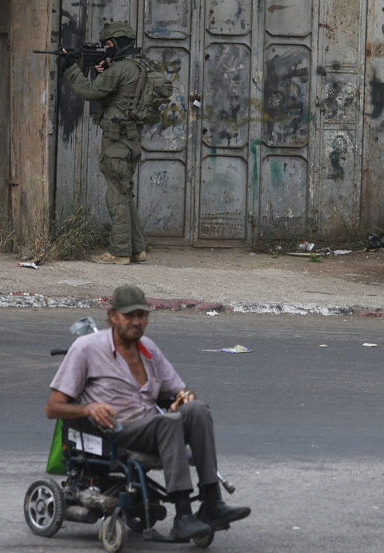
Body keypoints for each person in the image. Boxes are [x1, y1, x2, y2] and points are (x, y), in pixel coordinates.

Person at [45, 284, 251, 540]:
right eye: (130, 315)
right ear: (113, 316)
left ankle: (211, 503)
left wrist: (182, 399)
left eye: (141, 315)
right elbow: (53, 407)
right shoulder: (86, 348)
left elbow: (182, 391)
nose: (136, 321)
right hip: (117, 432)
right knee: (170, 422)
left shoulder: (149, 349)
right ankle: (183, 516)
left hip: (156, 427)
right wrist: (89, 407)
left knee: (197, 409)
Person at [58, 22, 150, 265]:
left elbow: (89, 92)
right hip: (131, 139)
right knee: (125, 193)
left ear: (120, 43)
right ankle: (137, 249)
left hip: (116, 140)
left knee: (116, 196)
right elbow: (120, 96)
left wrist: (71, 68)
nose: (107, 50)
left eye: (109, 45)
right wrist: (102, 73)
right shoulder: (143, 65)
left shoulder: (121, 68)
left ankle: (119, 252)